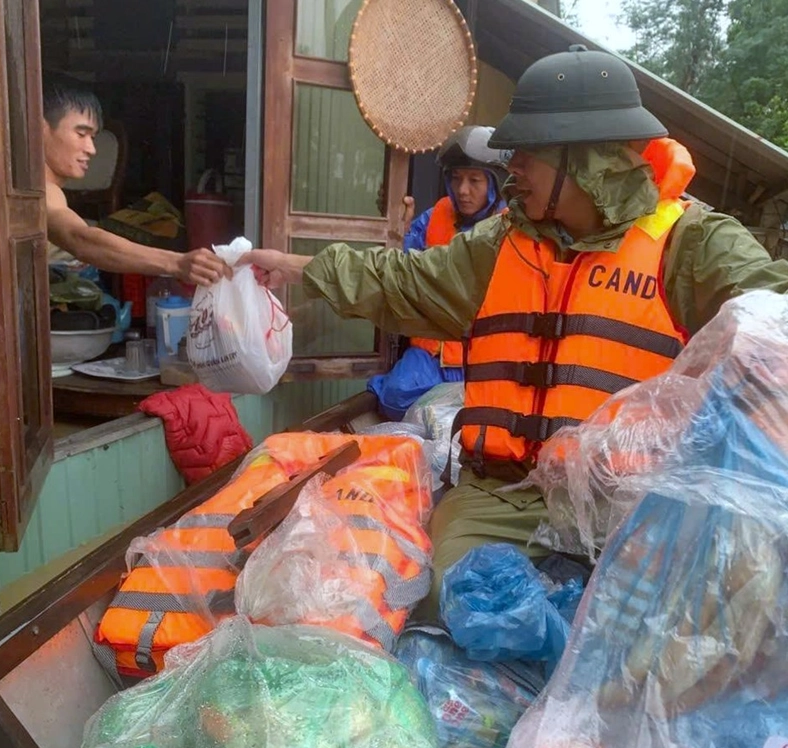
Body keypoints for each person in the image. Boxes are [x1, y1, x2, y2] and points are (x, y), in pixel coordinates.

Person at [237, 44, 788, 621]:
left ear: (585, 161)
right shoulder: (501, 243)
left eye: (527, 154)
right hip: (501, 492)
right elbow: (403, 281)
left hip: (627, 502)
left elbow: (771, 324)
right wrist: (296, 266)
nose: (512, 169)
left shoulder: (694, 243)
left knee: (657, 629)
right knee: (451, 600)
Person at [369, 127, 512, 418]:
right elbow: (405, 270)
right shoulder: (434, 216)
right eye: (456, 178)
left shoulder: (512, 228)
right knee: (393, 398)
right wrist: (401, 231)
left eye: (474, 180)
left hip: (481, 357)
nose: (463, 190)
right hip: (429, 353)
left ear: (495, 185)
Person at [42, 76, 229, 289]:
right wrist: (176, 263)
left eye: (93, 138)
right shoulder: (41, 192)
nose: (91, 149)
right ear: (41, 129)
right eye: (81, 134)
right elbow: (80, 239)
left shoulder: (51, 191)